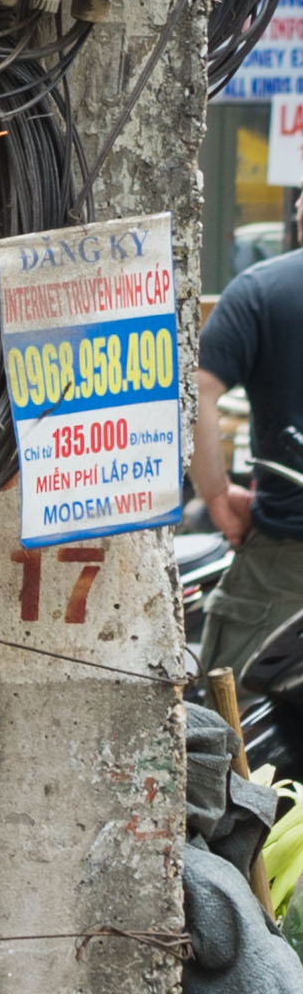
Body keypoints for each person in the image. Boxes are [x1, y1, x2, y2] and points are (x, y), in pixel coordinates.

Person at [196, 192, 303, 683]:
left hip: (283, 566)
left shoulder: (262, 289)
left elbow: (198, 390)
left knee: (236, 736)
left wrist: (216, 494)